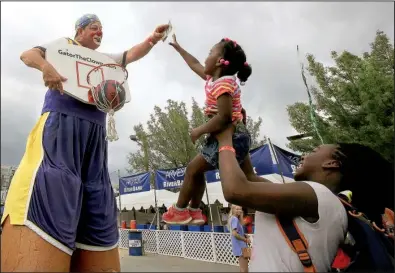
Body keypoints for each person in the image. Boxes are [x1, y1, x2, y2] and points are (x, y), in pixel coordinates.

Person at [1, 14, 169, 272]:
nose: (99, 32)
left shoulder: (104, 63)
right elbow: (28, 55)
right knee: (54, 180)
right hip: (62, 123)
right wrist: (46, 68)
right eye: (94, 28)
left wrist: (153, 39)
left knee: (97, 194)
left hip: (95, 134)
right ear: (79, 31)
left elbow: (131, 55)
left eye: (102, 29)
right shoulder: (64, 47)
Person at [214, 125, 394, 272]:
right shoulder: (316, 199)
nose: (303, 155)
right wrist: (240, 131)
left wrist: (224, 139)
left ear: (331, 164)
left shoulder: (318, 195)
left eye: (314, 150)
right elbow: (249, 178)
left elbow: (235, 190)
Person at [162, 34, 268, 225]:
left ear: (220, 62)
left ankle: (180, 210)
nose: (205, 57)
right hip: (237, 133)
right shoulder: (214, 79)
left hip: (230, 135)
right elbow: (194, 64)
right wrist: (179, 48)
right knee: (249, 177)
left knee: (192, 169)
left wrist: (199, 130)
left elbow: (224, 117)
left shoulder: (223, 84)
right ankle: (194, 211)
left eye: (210, 52)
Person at [229, 205, 250, 272]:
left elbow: (237, 232)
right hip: (241, 247)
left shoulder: (234, 219)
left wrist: (244, 235)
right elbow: (234, 234)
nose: (239, 211)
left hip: (240, 246)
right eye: (237, 209)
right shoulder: (234, 219)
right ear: (233, 210)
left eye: (240, 209)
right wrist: (245, 239)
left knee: (242, 268)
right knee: (245, 269)